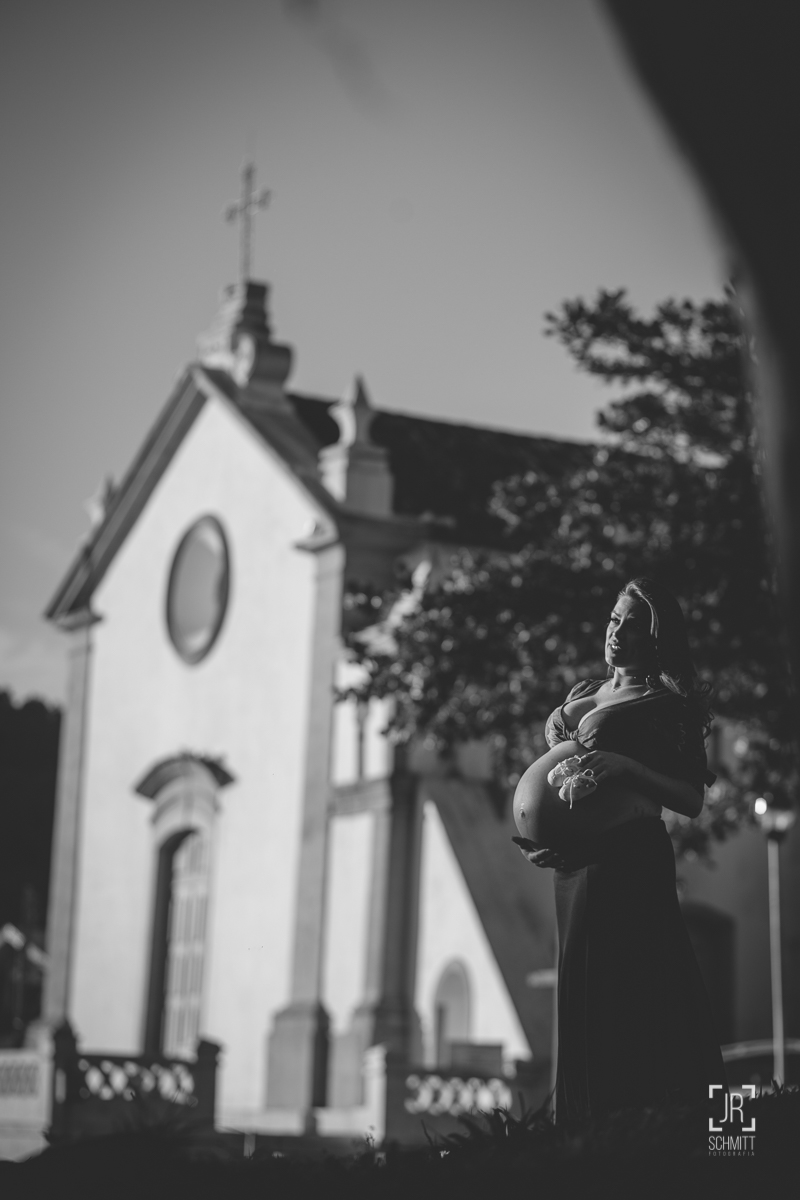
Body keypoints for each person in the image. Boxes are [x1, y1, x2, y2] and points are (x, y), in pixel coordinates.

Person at [512, 577, 727, 1123]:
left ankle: (667, 1125)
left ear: (656, 640)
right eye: (614, 619)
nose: (617, 633)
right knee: (580, 991)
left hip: (626, 856)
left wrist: (628, 767)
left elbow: (690, 798)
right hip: (573, 864)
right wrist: (547, 840)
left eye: (633, 626)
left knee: (629, 988)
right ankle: (584, 1132)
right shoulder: (585, 692)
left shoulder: (666, 704)